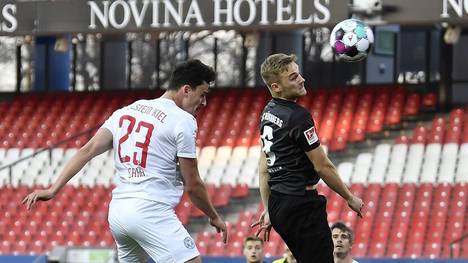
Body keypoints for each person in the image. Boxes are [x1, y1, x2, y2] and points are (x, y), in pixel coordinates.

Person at [23, 59, 228, 263]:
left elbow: (88, 150)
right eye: (203, 94)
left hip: (119, 213)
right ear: (186, 89)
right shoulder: (183, 121)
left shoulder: (128, 110)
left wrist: (53, 189)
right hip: (151, 210)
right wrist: (214, 216)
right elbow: (192, 185)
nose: (204, 103)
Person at [251, 53, 364, 263]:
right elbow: (322, 166)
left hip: (279, 204)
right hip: (300, 206)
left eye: (298, 73)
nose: (302, 79)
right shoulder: (298, 116)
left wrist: (269, 210)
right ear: (276, 87)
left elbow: (264, 166)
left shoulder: (268, 112)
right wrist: (349, 197)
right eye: (293, 77)